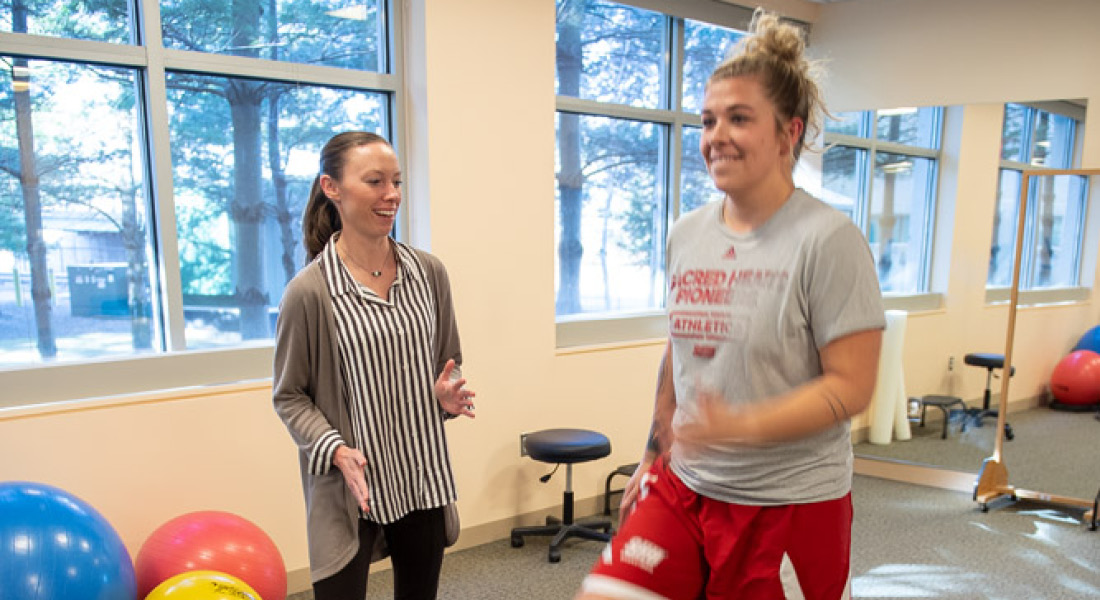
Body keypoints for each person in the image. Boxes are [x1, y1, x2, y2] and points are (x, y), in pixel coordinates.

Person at [576, 10, 885, 600]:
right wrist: (653, 452)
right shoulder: (687, 233)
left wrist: (740, 427)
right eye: (708, 119)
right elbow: (681, 351)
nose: (716, 135)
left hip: (789, 504)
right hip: (686, 484)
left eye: (739, 118)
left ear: (789, 133)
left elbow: (852, 386)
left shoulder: (828, 240)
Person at [273, 131, 475, 600]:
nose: (391, 195)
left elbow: (448, 361)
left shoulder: (429, 273)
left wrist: (445, 393)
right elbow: (290, 395)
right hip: (352, 485)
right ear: (332, 187)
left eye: (397, 182)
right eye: (375, 181)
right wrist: (335, 449)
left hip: (420, 475)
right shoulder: (310, 292)